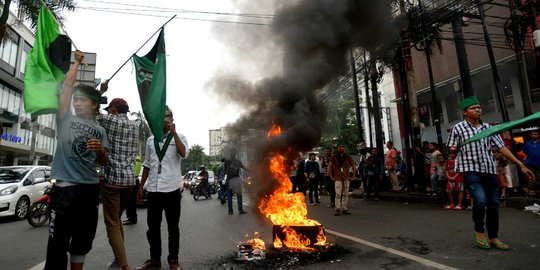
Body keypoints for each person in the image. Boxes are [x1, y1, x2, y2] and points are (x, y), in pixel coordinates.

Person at [45, 50, 110, 270]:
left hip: (90, 191)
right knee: (57, 243)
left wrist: (100, 151)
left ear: (94, 105)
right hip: (64, 190)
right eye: (76, 100)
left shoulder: (100, 130)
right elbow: (67, 87)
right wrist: (76, 62)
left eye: (82, 100)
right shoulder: (65, 118)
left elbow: (105, 161)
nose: (77, 103)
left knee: (82, 242)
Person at [447, 96, 535, 250]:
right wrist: (453, 150)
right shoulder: (458, 128)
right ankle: (479, 232)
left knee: (494, 204)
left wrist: (520, 164)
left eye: (479, 107)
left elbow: (502, 148)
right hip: (471, 170)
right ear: (465, 112)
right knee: (480, 201)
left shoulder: (489, 128)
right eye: (474, 108)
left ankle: (493, 237)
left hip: (490, 169)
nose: (478, 110)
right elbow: (451, 150)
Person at [135, 106, 188, 270]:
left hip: (172, 189)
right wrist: (140, 186)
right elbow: (147, 164)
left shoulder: (180, 137)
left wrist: (174, 134)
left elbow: (183, 153)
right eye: (162, 116)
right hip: (153, 190)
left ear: (172, 119)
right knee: (153, 228)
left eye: (168, 116)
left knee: (173, 228)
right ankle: (154, 260)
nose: (165, 119)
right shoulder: (151, 140)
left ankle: (174, 260)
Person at [97, 86, 140, 270]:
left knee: (112, 222)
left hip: (112, 181)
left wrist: (100, 91)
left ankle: (124, 265)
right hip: (129, 181)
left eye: (110, 110)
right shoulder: (136, 125)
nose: (109, 112)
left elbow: (89, 108)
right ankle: (118, 258)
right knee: (117, 220)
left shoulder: (109, 120)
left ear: (113, 110)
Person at [328, 143, 357, 216]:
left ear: (344, 148)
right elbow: (330, 166)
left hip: (346, 177)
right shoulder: (334, 157)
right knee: (338, 193)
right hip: (338, 177)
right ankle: (337, 208)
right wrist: (331, 176)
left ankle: (344, 208)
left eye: (342, 146)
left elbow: (354, 165)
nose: (341, 148)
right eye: (340, 147)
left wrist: (353, 176)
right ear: (337, 148)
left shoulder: (347, 157)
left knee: (345, 193)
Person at [124, 155, 142, 225]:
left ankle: (132, 218)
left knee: (130, 202)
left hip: (132, 181)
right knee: (131, 201)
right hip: (134, 181)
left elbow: (133, 171)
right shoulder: (137, 158)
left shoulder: (134, 158)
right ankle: (131, 218)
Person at [524, 130, 540, 195]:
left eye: (535, 134)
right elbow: (525, 154)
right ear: (530, 135)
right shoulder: (527, 144)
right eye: (532, 134)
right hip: (530, 164)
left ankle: (528, 188)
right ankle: (534, 192)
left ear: (538, 135)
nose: (533, 135)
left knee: (539, 179)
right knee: (531, 178)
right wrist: (524, 162)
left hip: (539, 164)